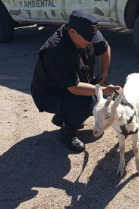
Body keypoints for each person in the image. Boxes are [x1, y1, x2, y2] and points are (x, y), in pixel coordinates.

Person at [30, 10, 121, 152]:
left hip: (70, 85)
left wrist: (102, 76)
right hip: (48, 94)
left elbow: (105, 49)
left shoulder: (86, 33)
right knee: (90, 103)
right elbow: (74, 88)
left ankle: (62, 117)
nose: (91, 41)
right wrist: (102, 89)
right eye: (87, 38)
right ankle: (67, 133)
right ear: (72, 32)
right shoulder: (56, 51)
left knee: (100, 100)